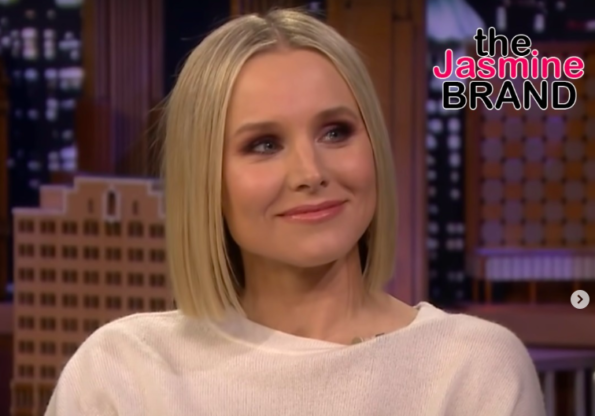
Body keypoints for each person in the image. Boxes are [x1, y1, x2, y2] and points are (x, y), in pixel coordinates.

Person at [45, 8, 546, 416]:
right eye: (264, 144)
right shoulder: (123, 371)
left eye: (336, 132)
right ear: (206, 180)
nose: (310, 172)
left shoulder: (472, 369)